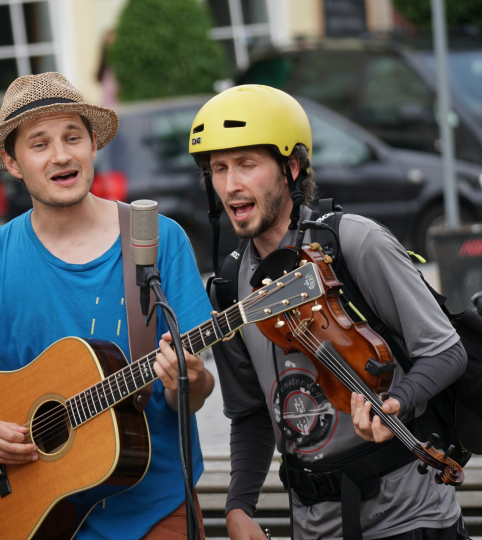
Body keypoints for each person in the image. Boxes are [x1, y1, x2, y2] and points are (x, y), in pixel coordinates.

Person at [0, 72, 215, 539]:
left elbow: (191, 396)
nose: (61, 155)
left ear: (93, 143)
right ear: (13, 164)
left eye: (72, 137)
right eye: (39, 144)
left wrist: (188, 383)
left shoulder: (156, 238)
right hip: (32, 514)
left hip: (153, 508)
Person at [189, 85, 469, 540]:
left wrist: (394, 404)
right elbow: (250, 413)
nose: (229, 185)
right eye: (218, 169)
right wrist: (239, 505)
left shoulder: (355, 243)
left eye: (246, 164)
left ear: (291, 167)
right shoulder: (228, 284)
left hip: (409, 518)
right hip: (313, 527)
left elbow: (446, 352)